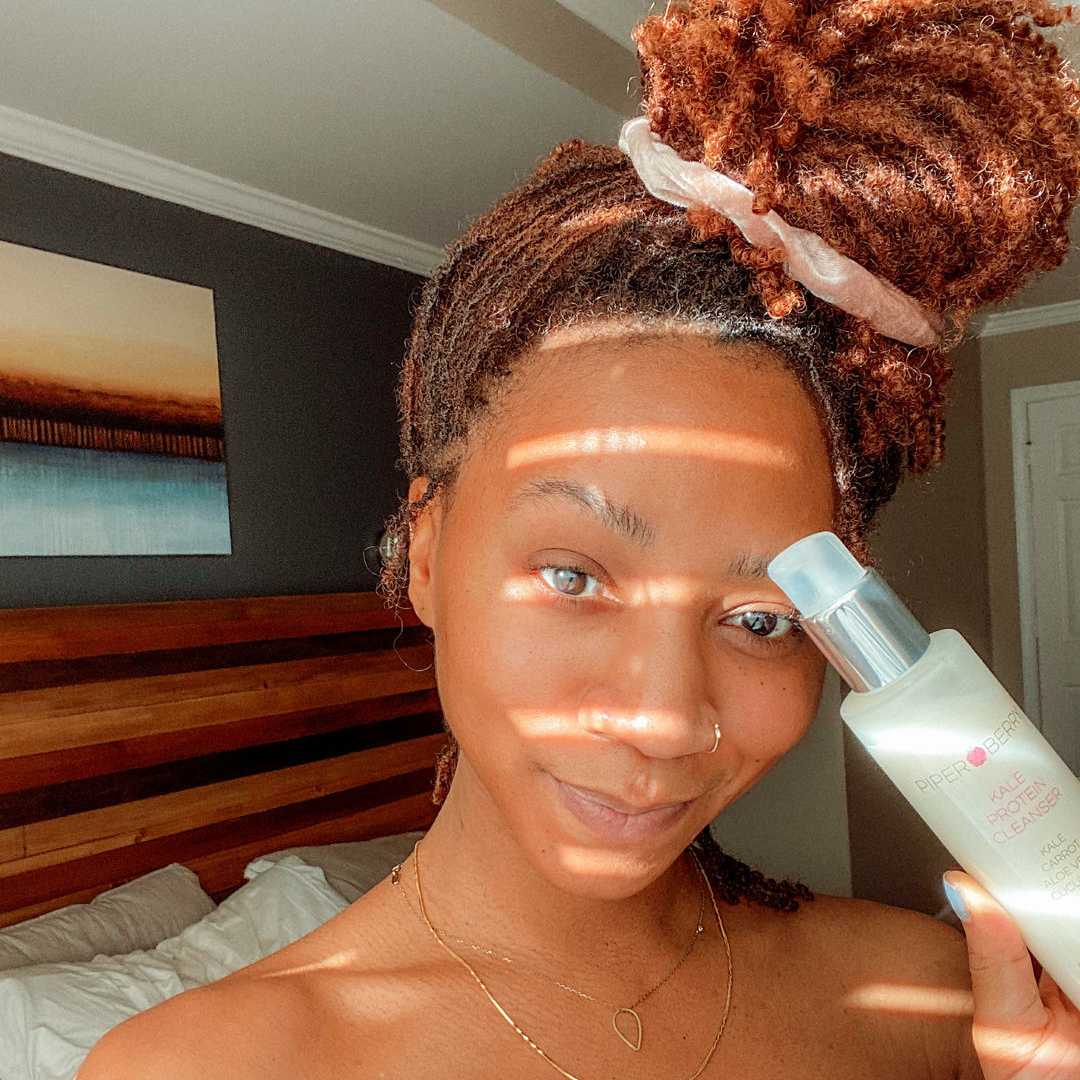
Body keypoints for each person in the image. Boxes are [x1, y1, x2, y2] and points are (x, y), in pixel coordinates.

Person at [80, 1, 1080, 1077]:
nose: (663, 717)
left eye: (762, 619)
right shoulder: (203, 1065)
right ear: (425, 555)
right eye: (572, 574)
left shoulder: (936, 1005)